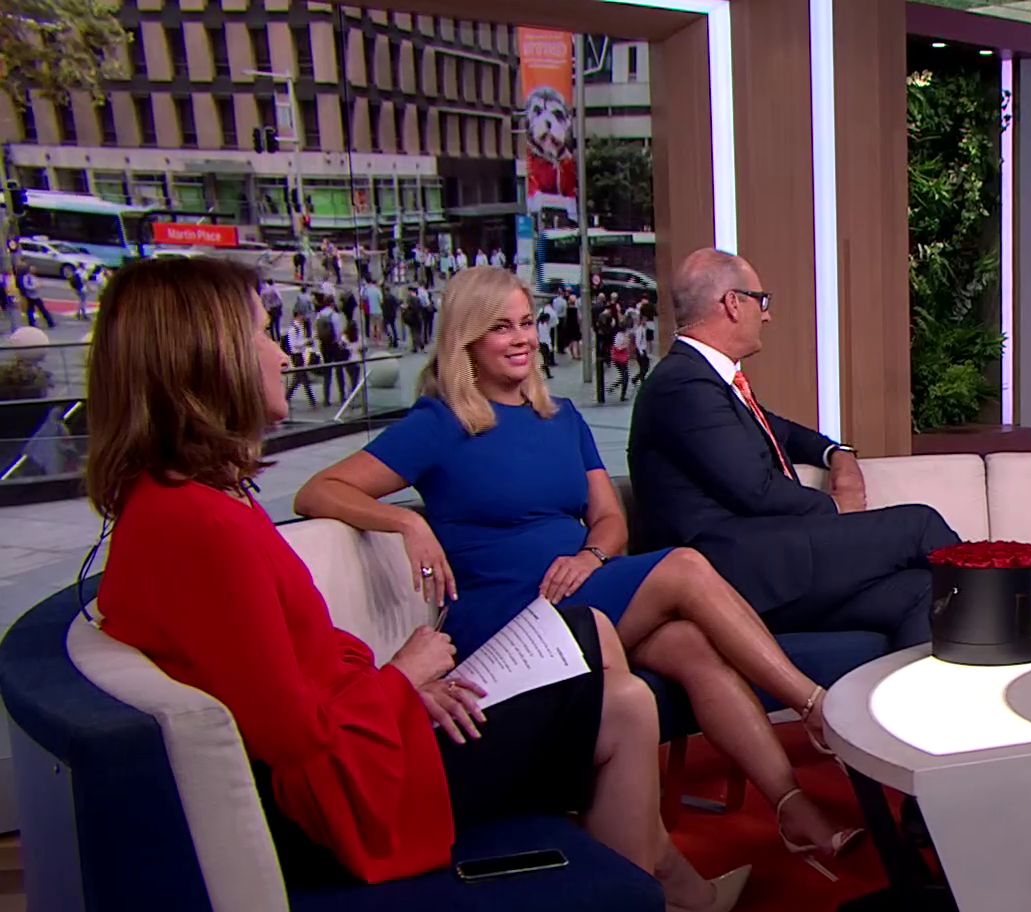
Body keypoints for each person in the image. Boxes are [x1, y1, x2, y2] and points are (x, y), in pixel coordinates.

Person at [84, 257, 746, 912]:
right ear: (210, 360)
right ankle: (647, 910)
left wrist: (402, 683)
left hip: (372, 729)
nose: (284, 356)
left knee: (621, 692)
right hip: (351, 794)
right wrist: (401, 677)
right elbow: (295, 737)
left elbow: (306, 669)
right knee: (609, 671)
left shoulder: (194, 503)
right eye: (263, 335)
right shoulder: (198, 524)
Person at [295, 267, 862, 873]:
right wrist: (408, 523)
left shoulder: (561, 417)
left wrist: (590, 555)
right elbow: (318, 491)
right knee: (685, 567)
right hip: (509, 617)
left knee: (692, 647)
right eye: (501, 328)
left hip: (583, 593)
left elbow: (609, 521)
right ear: (467, 339)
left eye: (526, 323)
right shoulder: (440, 423)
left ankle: (794, 808)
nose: (521, 338)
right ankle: (814, 706)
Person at [628, 248, 960, 651]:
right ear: (733, 304)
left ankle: (916, 693)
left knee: (920, 589)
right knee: (919, 525)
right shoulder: (683, 384)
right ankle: (1013, 608)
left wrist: (837, 453)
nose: (766, 316)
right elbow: (755, 489)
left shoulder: (711, 382)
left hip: (768, 561)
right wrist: (836, 508)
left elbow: (781, 431)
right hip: (735, 571)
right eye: (761, 301)